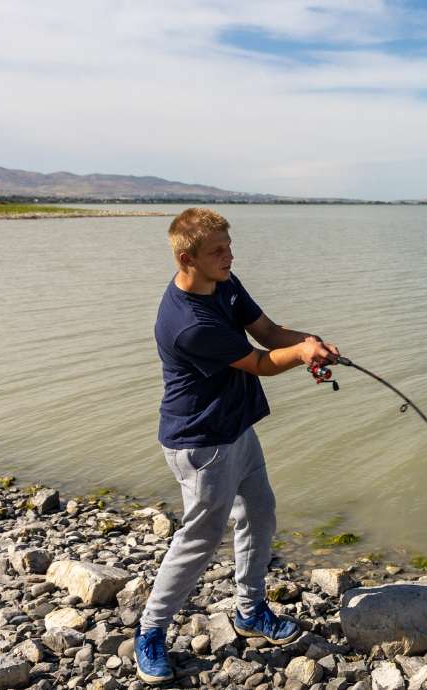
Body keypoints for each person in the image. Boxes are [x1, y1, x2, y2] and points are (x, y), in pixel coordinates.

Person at [135, 207, 339, 684]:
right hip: (201, 443)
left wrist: (310, 342)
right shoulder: (188, 322)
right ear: (188, 258)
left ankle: (250, 611)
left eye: (229, 246)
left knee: (260, 513)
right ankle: (151, 631)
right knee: (200, 540)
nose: (229, 256)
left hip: (237, 428)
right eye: (217, 251)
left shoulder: (224, 282)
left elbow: (268, 333)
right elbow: (263, 363)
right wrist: (301, 354)